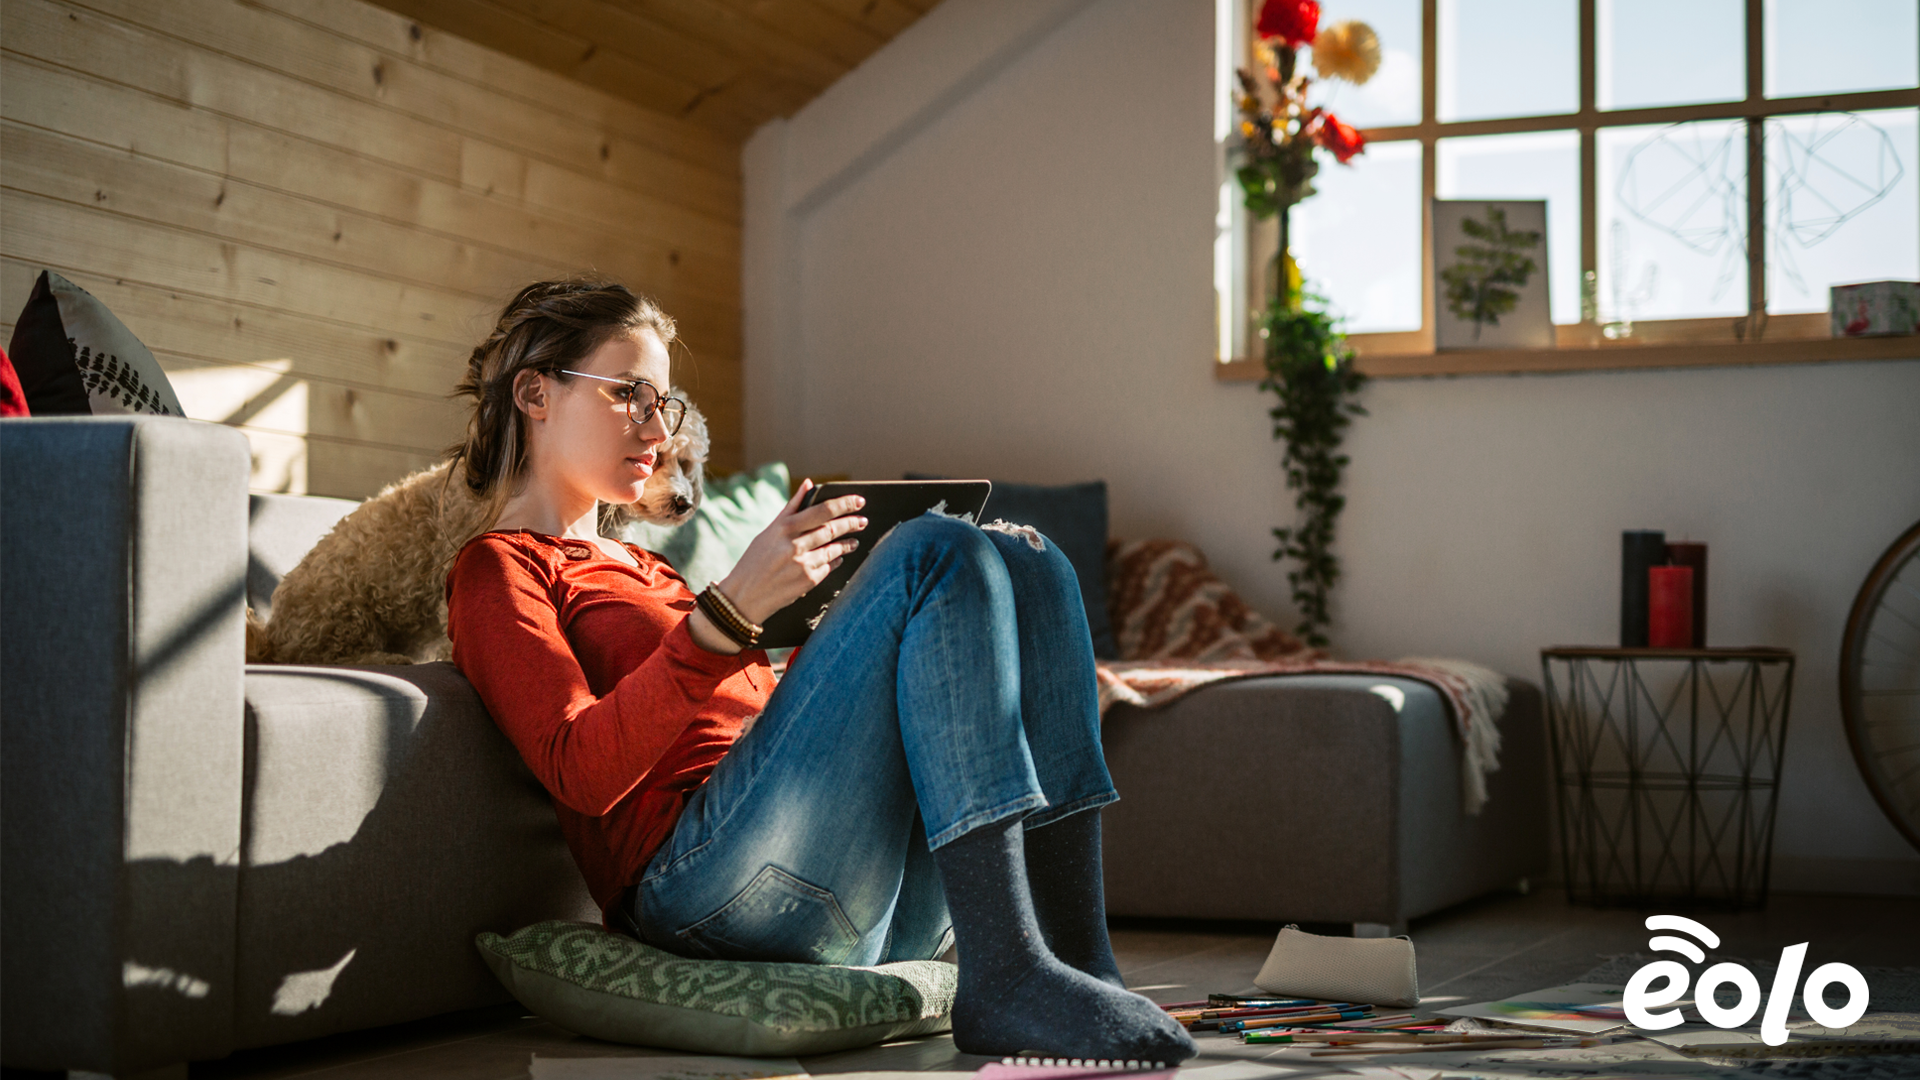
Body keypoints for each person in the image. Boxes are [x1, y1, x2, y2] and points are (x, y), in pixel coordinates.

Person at [444, 280, 1195, 1062]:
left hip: (837, 882)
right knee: (935, 550)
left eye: (662, 404)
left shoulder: (647, 567)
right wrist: (728, 612)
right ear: (535, 392)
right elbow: (579, 768)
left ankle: (1076, 955)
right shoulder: (499, 570)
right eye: (630, 394)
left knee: (1030, 561)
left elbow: (762, 728)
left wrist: (837, 627)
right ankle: (1005, 977)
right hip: (702, 897)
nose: (656, 429)